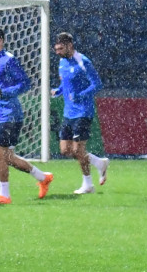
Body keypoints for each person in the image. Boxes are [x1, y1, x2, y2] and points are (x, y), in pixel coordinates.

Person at [0, 26, 52, 204]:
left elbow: (25, 84)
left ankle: (4, 195)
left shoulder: (9, 60)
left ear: (0, 41)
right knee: (8, 157)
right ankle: (43, 177)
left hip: (10, 114)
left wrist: (4, 92)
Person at [52, 32, 106, 193]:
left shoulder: (83, 61)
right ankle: (99, 162)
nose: (58, 52)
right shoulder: (62, 61)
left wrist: (81, 95)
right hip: (68, 112)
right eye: (56, 49)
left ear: (70, 45)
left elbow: (97, 84)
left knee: (78, 150)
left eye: (61, 49)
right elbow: (66, 83)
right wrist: (58, 90)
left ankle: (88, 184)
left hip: (83, 111)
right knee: (65, 150)